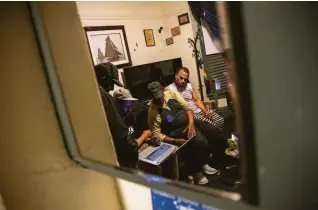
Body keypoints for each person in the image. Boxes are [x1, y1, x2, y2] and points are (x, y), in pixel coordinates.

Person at [147, 81, 218, 185]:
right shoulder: (153, 111)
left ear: (163, 89)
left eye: (161, 95)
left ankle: (203, 163)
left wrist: (191, 124)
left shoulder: (171, 94)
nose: (160, 99)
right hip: (175, 134)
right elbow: (157, 134)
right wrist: (174, 140)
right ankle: (196, 171)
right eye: (156, 97)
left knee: (208, 135)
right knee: (195, 143)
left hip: (189, 124)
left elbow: (187, 107)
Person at [94, 63, 139, 170]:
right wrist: (134, 147)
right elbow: (122, 135)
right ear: (103, 78)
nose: (112, 87)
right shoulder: (105, 97)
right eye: (111, 82)